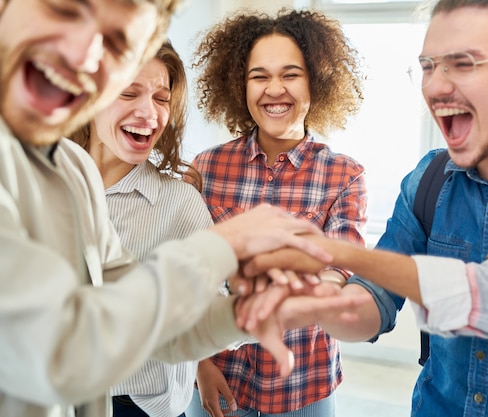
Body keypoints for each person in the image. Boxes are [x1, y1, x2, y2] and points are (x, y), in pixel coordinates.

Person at [242, 3, 488, 416]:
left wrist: (336, 252)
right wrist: (322, 303)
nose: (436, 86)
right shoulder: (427, 180)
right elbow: (373, 296)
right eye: (428, 65)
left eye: (463, 63)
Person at [0, 1, 368, 416]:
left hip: (299, 382)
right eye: (66, 13)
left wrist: (242, 315)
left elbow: (152, 328)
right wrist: (219, 247)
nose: (88, 57)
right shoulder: (206, 166)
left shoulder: (73, 171)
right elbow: (64, 343)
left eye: (115, 47)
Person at [186, 8, 367, 417]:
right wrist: (200, 363)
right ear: (239, 84)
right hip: (220, 376)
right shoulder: (206, 167)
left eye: (290, 74)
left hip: (303, 382)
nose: (274, 89)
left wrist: (313, 290)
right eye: (259, 76)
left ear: (316, 81)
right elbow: (188, 276)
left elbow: (342, 264)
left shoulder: (344, 174)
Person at [70, 40, 210, 417]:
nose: (149, 113)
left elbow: (213, 310)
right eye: (128, 92)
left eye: (161, 98)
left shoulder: (180, 205)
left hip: (139, 407)